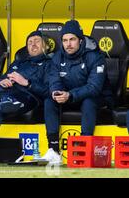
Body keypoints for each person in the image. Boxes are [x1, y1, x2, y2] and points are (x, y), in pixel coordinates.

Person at [0, 30, 52, 165]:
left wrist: (25, 82)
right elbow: (4, 77)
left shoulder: (49, 64)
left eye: (37, 41)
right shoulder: (19, 62)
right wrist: (0, 82)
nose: (33, 44)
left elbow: (48, 91)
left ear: (45, 46)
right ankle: (3, 97)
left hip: (26, 96)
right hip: (5, 92)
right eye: (30, 42)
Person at [42, 19, 112, 164]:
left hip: (98, 98)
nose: (68, 44)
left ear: (80, 40)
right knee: (49, 100)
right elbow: (54, 80)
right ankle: (53, 150)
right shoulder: (57, 57)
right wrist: (56, 93)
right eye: (65, 40)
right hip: (69, 98)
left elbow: (94, 87)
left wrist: (71, 95)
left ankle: (84, 147)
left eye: (72, 39)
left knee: (88, 101)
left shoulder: (95, 56)